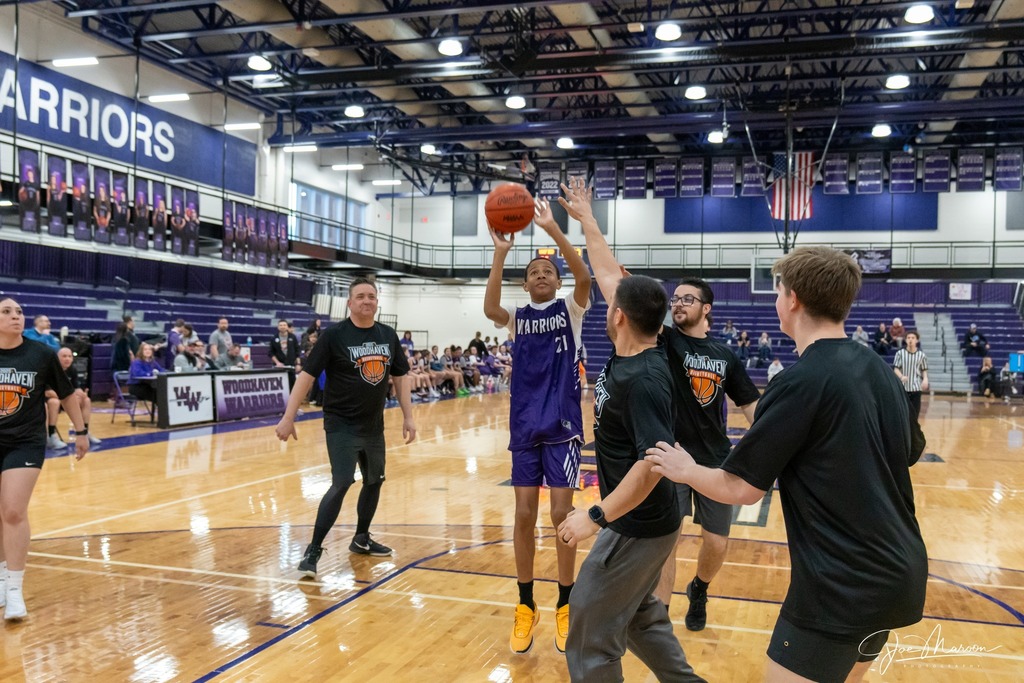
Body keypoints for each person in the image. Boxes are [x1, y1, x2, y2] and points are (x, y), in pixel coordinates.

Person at [646, 247, 928, 683]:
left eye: (778, 291)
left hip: (840, 583)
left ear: (792, 299)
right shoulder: (879, 369)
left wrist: (684, 469)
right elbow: (908, 451)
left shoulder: (798, 382)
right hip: (899, 573)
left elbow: (741, 488)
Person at [555, 177, 704, 682]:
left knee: (589, 632)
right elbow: (605, 271)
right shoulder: (647, 340)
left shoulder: (643, 379)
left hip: (636, 524)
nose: (605, 296)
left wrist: (594, 515)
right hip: (649, 521)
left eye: (611, 298)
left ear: (618, 315)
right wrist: (588, 220)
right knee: (641, 619)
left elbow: (653, 464)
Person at [483, 195, 592, 655]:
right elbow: (490, 309)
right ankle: (526, 603)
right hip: (525, 426)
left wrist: (552, 233)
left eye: (547, 271)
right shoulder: (518, 318)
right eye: (534, 273)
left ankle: (566, 602)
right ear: (525, 285)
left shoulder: (572, 309)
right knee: (524, 515)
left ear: (557, 280)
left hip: (563, 425)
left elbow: (585, 276)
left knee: (560, 516)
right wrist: (501, 254)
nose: (541, 275)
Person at [276, 278, 416, 575]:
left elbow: (401, 377)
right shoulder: (334, 335)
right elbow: (307, 376)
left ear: (377, 302)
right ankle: (313, 548)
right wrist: (289, 416)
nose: (367, 301)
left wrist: (408, 416)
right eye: (361, 296)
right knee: (342, 483)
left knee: (375, 480)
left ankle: (361, 538)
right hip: (340, 424)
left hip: (373, 426)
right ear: (350, 303)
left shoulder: (388, 335)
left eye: (372, 296)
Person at [653, 276, 760, 632]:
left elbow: (749, 404)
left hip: (715, 460)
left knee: (716, 542)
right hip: (672, 456)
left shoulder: (725, 355)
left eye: (688, 299)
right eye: (675, 299)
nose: (678, 304)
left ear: (706, 308)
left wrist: (772, 446)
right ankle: (659, 619)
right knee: (668, 538)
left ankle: (699, 589)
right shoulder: (666, 342)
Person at [0, 297, 89, 621]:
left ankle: (14, 589)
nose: (15, 316)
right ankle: (0, 577)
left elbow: (66, 394)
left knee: (12, 510)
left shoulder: (41, 354)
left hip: (25, 441)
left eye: (19, 312)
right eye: (6, 312)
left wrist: (81, 431)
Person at [45, 347, 101, 448]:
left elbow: (76, 388)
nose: (67, 359)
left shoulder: (72, 369)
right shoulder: (51, 370)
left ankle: (84, 432)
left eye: (70, 356)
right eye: (64, 356)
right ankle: (50, 435)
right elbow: (48, 392)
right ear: (57, 358)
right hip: (52, 400)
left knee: (86, 400)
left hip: (65, 399)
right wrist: (70, 395)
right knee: (54, 402)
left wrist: (81, 393)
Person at [893, 331, 929, 425]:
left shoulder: (921, 355)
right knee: (903, 415)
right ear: (905, 340)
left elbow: (924, 370)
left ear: (917, 340)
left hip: (916, 388)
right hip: (903, 388)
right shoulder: (900, 353)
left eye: (913, 338)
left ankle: (913, 437)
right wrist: (901, 376)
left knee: (914, 416)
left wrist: (925, 379)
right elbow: (896, 369)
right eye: (908, 338)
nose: (910, 340)